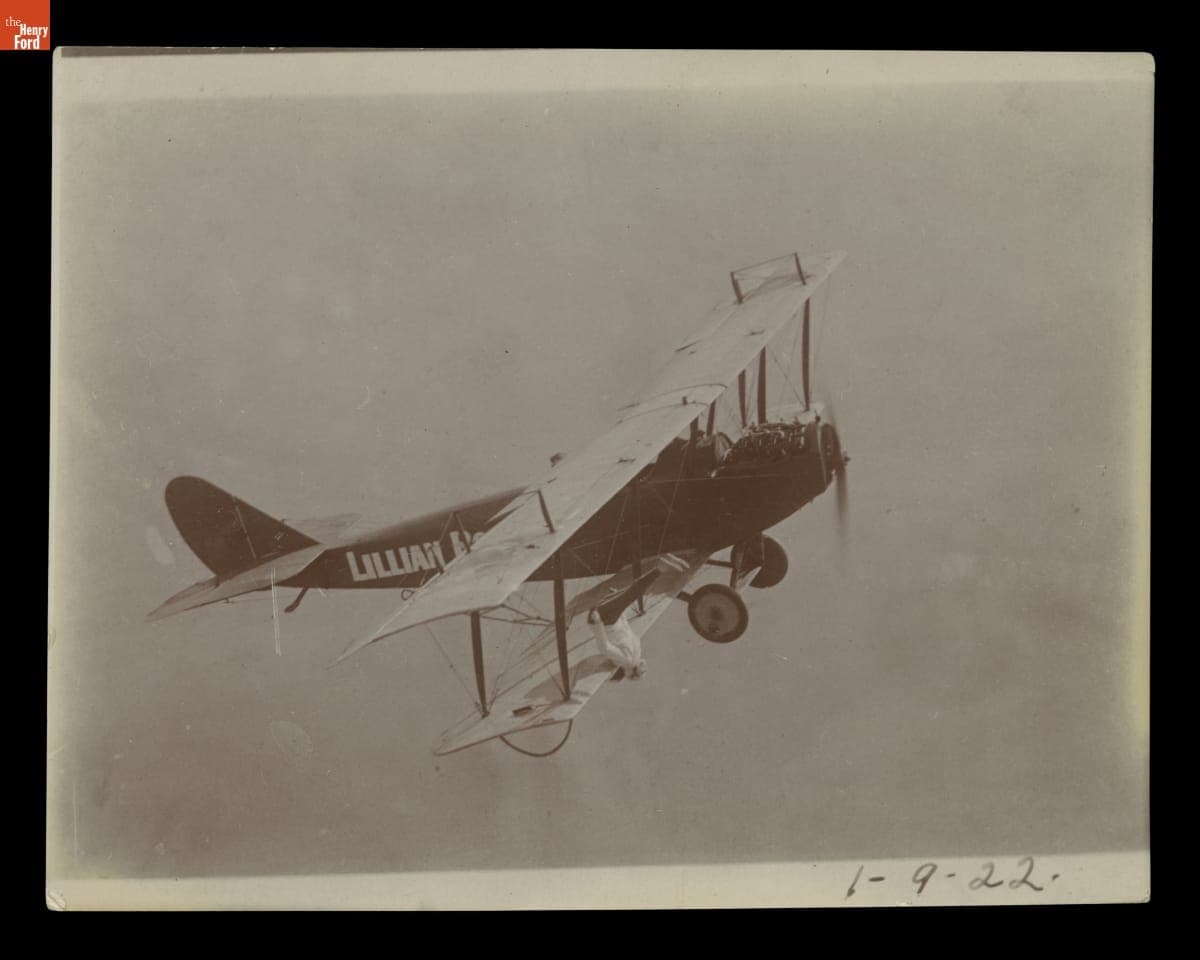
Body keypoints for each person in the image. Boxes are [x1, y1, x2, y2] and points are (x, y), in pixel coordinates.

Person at [588, 607, 647, 681]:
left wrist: (620, 612)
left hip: (615, 616)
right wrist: (597, 623)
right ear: (629, 673)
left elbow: (627, 627)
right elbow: (605, 648)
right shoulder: (626, 660)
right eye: (627, 676)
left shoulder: (637, 649)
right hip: (606, 623)